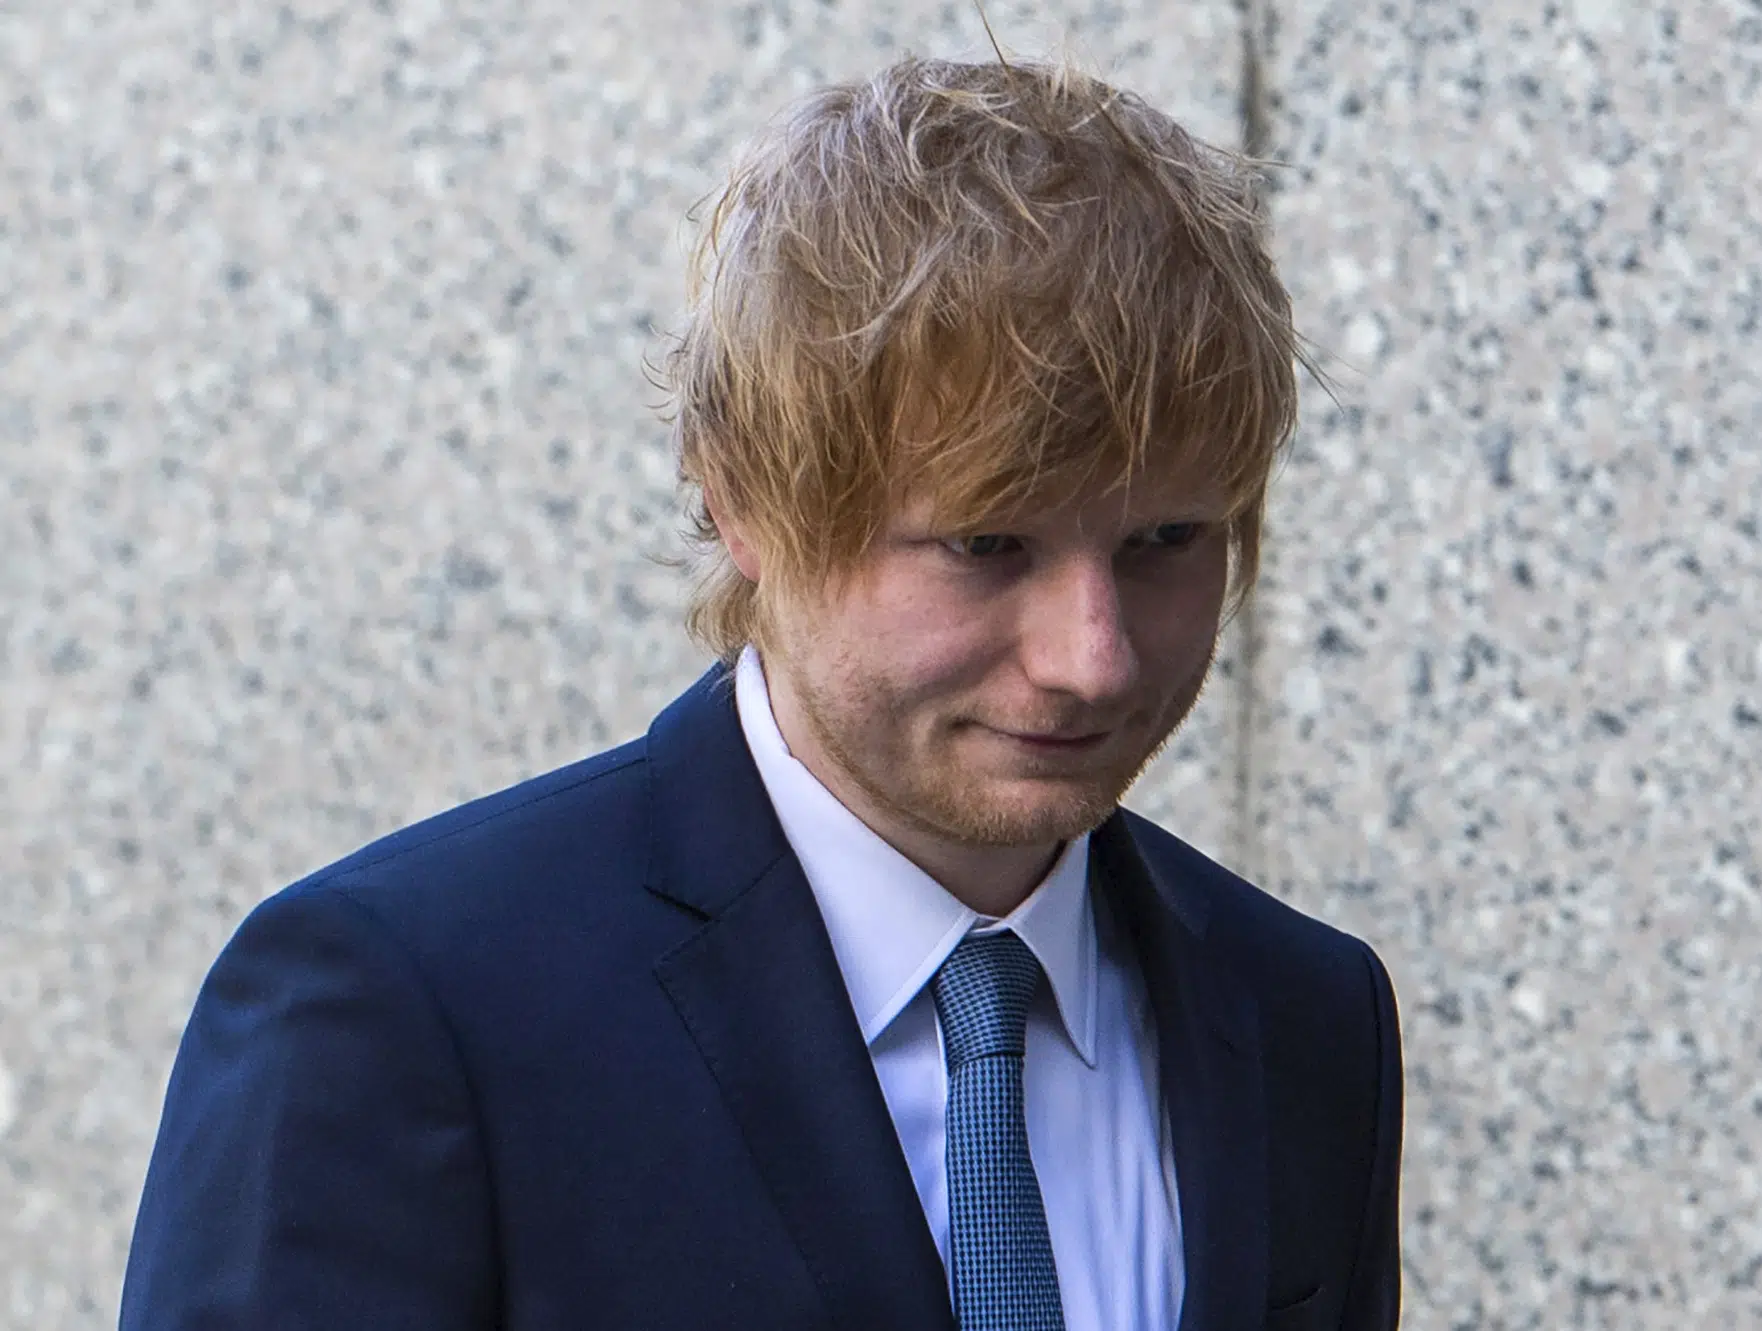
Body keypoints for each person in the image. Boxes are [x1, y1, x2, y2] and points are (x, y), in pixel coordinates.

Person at [119, 55, 1402, 1331]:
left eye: (1165, 540)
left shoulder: (1307, 1017)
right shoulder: (402, 1008)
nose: (1093, 656)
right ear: (742, 498)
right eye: (986, 544)